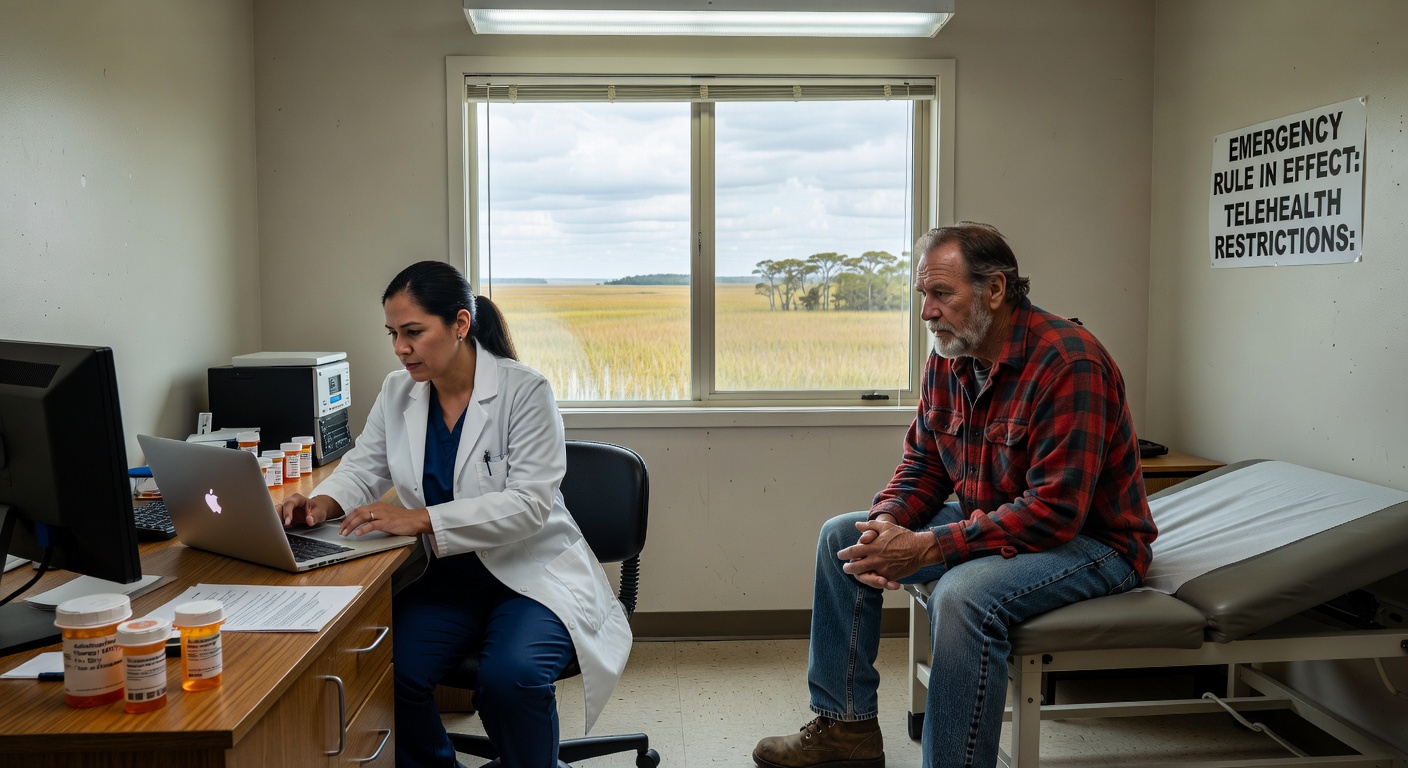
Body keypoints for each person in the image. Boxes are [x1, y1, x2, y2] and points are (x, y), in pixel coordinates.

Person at [753, 223, 1156, 768]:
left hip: (1093, 542)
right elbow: (924, 464)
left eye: (942, 294)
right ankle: (845, 730)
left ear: (995, 290)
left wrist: (930, 547)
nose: (927, 311)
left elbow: (1054, 512)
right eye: (924, 295)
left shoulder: (1069, 363)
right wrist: (887, 523)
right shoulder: (950, 356)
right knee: (841, 539)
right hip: (996, 517)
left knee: (962, 593)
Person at [279, 260, 632, 768]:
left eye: (414, 332)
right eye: (393, 334)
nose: (401, 348)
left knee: (509, 679)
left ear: (461, 325)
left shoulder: (525, 392)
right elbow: (363, 465)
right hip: (449, 577)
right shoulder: (397, 392)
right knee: (385, 668)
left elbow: (530, 506)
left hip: (529, 573)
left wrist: (421, 519)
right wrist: (322, 503)